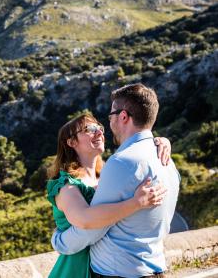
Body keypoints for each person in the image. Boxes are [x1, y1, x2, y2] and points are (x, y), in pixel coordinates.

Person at [51, 83, 180, 278]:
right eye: (89, 129)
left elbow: (93, 225)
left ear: (124, 117)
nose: (101, 131)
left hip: (119, 270)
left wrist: (58, 241)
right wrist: (136, 203)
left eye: (101, 125)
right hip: (85, 265)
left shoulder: (118, 166)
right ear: (71, 142)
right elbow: (88, 221)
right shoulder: (167, 163)